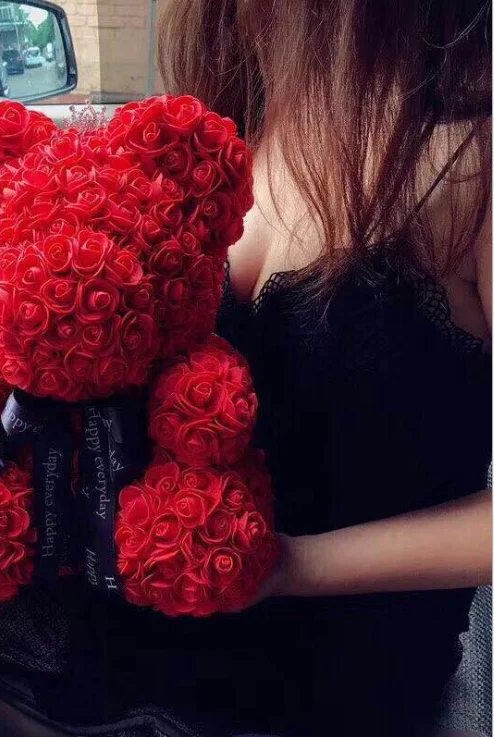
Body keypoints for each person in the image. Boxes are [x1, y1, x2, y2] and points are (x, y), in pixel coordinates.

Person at [156, 0, 492, 735]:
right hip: (169, 638)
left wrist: (288, 567)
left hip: (355, 679)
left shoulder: (475, 159)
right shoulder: (233, 120)